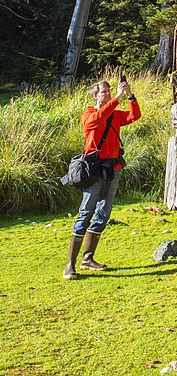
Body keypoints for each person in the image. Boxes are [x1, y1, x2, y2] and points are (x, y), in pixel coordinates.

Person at [63, 77, 141, 279]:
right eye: (104, 92)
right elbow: (98, 119)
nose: (107, 94)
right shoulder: (88, 115)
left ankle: (88, 258)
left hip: (112, 169)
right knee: (85, 213)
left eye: (109, 91)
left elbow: (135, 116)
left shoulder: (114, 115)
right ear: (95, 96)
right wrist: (117, 97)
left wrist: (130, 95)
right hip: (95, 170)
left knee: (103, 213)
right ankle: (70, 265)